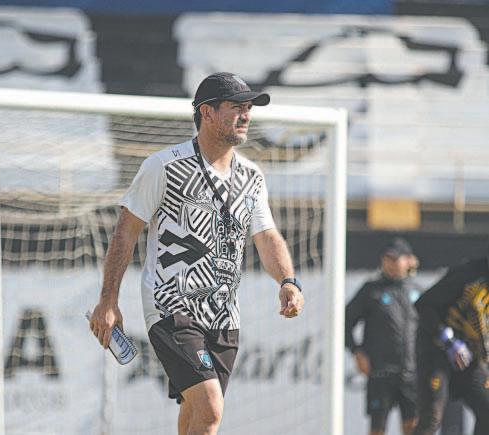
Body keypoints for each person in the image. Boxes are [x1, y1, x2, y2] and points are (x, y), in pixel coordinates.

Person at [89, 72, 305, 435]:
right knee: (210, 407)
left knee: (195, 412)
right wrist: (108, 300)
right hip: (170, 306)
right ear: (207, 112)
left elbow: (267, 235)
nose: (246, 115)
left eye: (249, 108)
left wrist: (288, 280)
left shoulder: (252, 176)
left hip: (224, 316)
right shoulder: (164, 165)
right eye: (236, 107)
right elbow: (126, 231)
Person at [345, 238, 421, 435]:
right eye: (387, 259)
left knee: (414, 426)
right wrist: (356, 351)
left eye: (396, 259)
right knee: (378, 427)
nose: (390, 264)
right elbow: (345, 321)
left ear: (408, 260)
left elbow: (429, 328)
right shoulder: (371, 290)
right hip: (380, 372)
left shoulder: (417, 291)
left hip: (411, 372)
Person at [412, 246, 489, 435]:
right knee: (432, 417)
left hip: (469, 358)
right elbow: (424, 304)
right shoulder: (469, 273)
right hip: (437, 352)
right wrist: (448, 339)